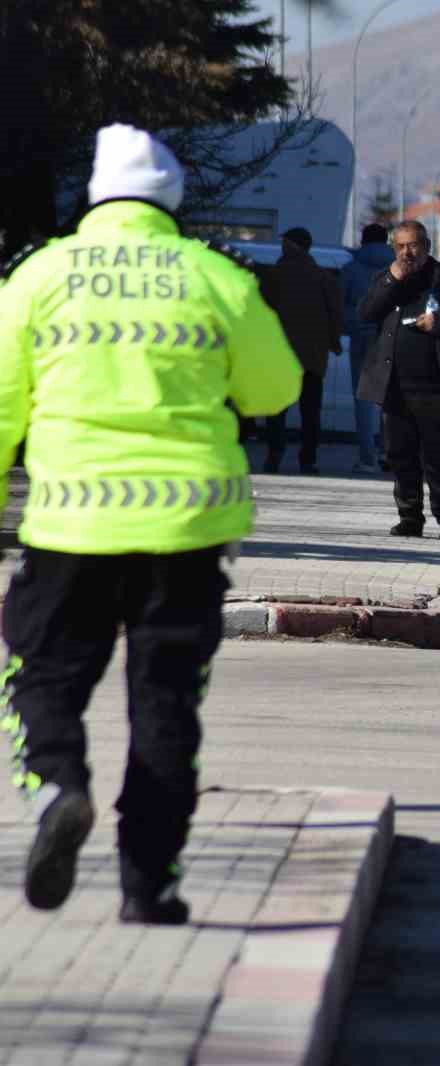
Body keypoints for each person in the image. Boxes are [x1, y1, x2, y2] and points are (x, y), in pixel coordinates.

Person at [0, 124, 301, 923]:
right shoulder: (213, 275)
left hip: (71, 529)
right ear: (171, 199)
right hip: (186, 533)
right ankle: (149, 887)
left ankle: (57, 787)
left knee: (40, 678)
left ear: (93, 197)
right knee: (166, 705)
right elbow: (275, 388)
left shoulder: (39, 276)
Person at [357, 220, 440, 540]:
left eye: (413, 245)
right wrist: (392, 279)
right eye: (400, 246)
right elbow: (366, 312)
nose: (407, 253)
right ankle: (410, 518)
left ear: (426, 246)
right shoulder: (386, 278)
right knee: (400, 455)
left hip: (437, 387)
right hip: (395, 386)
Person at [260, 226, 341, 474]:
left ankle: (274, 457)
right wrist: (334, 342)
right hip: (312, 357)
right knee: (310, 411)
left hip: (280, 354)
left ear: (292, 245)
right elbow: (334, 313)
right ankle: (308, 460)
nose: (282, 246)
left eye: (285, 242)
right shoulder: (322, 277)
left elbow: (261, 311)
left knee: (276, 410)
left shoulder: (275, 275)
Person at [341, 223, 393, 473]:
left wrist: (351, 325)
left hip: (362, 339)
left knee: (363, 401)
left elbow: (340, 305)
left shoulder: (351, 270)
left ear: (363, 242)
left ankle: (367, 458)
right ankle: (388, 454)